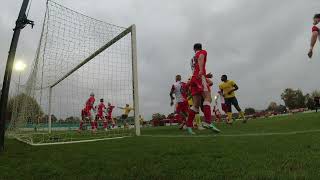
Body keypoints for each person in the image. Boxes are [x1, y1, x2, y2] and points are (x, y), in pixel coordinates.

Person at [186, 43, 220, 134]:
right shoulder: (203, 52)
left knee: (196, 105)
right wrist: (201, 71)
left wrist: (205, 74)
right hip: (200, 78)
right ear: (200, 48)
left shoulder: (192, 59)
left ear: (194, 49)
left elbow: (195, 68)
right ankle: (208, 122)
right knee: (208, 98)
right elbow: (201, 58)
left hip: (193, 79)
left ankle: (189, 126)